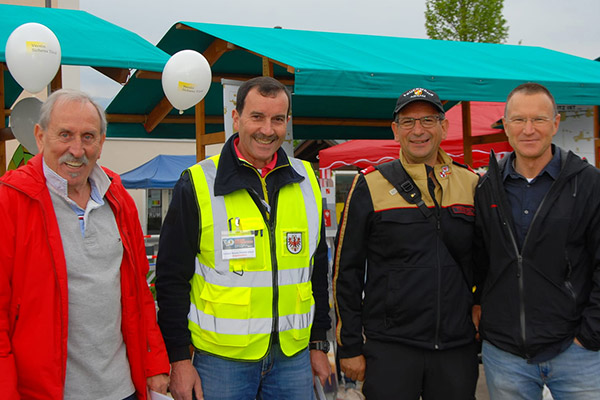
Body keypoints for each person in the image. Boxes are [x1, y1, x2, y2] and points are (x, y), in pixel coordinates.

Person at [155, 76, 331, 400]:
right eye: (257, 117)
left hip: (292, 357)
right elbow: (170, 279)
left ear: (287, 123)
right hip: (221, 361)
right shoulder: (197, 184)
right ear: (236, 119)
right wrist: (178, 357)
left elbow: (316, 270)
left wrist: (319, 342)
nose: (267, 129)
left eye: (277, 119)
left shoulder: (308, 181)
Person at [0, 89, 170, 399]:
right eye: (65, 135)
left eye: (88, 137)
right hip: (47, 392)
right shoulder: (10, 201)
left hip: (123, 388)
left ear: (101, 143)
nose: (77, 150)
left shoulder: (117, 197)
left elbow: (139, 293)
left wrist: (154, 363)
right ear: (40, 137)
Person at [333, 87, 480, 399]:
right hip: (390, 348)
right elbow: (346, 271)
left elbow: (485, 261)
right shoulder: (370, 184)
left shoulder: (472, 183)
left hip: (456, 347)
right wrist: (348, 347)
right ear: (395, 131)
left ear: (444, 126)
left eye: (427, 120)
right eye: (408, 122)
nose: (418, 131)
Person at [472, 82, 600, 399]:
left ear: (555, 123)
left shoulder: (588, 183)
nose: (529, 130)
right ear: (506, 125)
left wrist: (591, 334)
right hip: (506, 355)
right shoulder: (487, 185)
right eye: (518, 120)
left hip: (577, 352)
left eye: (539, 119)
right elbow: (479, 258)